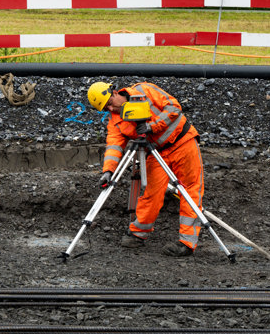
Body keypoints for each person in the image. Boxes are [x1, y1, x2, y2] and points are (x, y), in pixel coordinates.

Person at [87, 81, 205, 257]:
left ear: (114, 92)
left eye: (110, 104)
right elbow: (114, 146)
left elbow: (173, 107)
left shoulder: (144, 90)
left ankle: (187, 243)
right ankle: (138, 233)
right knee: (151, 192)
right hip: (157, 152)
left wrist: (152, 126)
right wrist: (108, 171)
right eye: (106, 109)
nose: (111, 109)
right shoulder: (116, 121)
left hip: (183, 142)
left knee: (190, 191)